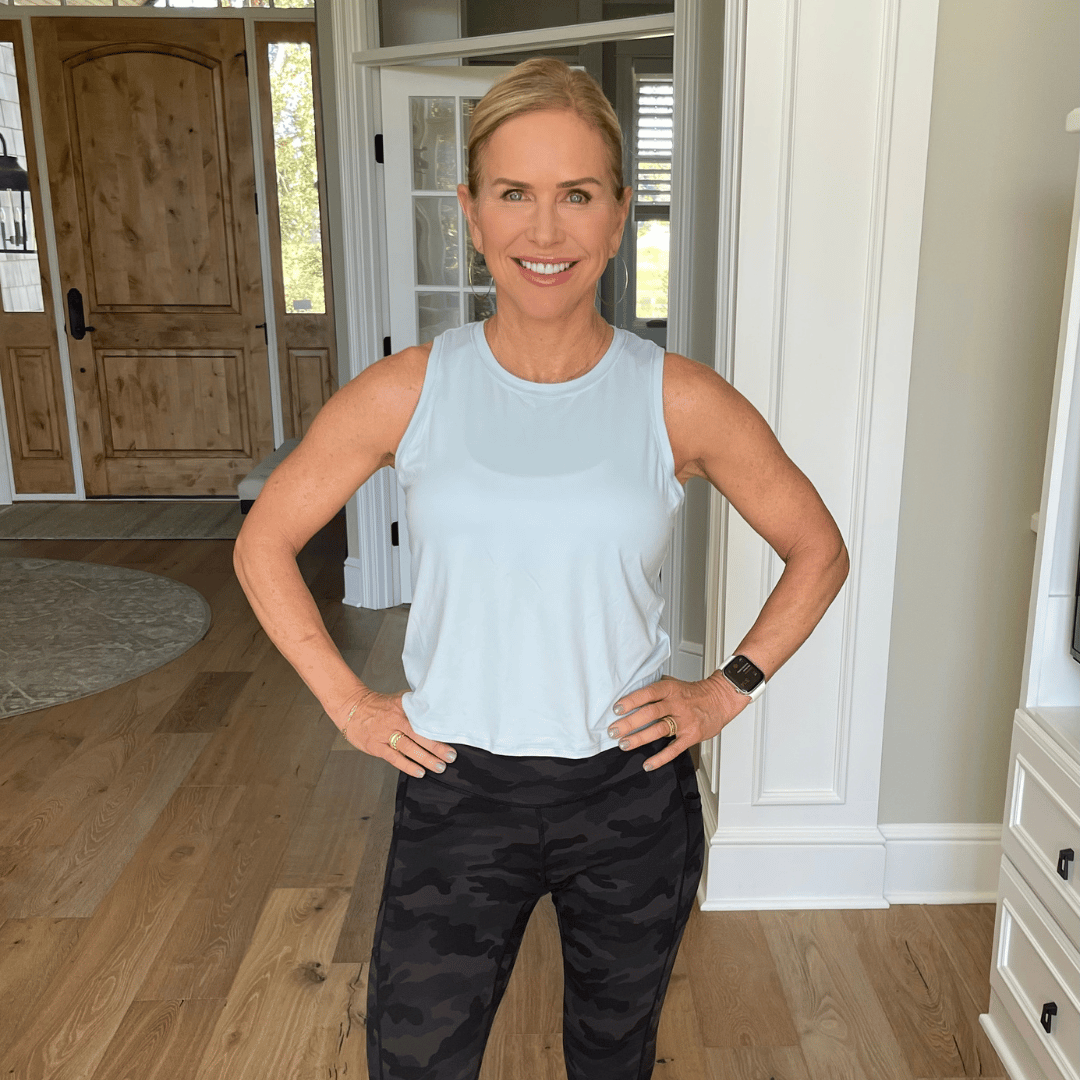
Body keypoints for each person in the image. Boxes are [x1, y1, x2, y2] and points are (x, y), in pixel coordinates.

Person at [234, 57, 848, 1080]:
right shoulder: (407, 391)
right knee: (415, 1059)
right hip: (457, 787)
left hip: (630, 791)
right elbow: (264, 542)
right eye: (515, 194)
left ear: (619, 216)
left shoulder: (680, 399)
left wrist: (725, 692)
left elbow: (816, 548)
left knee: (614, 1055)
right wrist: (348, 704)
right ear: (472, 214)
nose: (545, 230)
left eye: (576, 195)